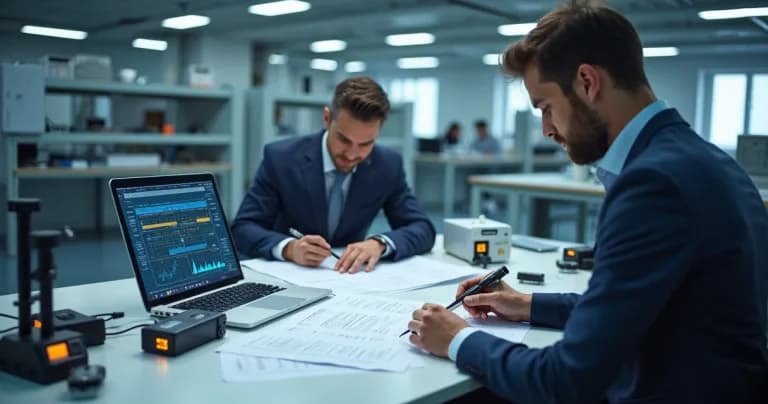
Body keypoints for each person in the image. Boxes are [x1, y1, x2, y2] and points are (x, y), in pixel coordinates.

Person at [408, 1, 768, 403]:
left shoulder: (652, 184)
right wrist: (527, 304)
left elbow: (566, 380)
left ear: (586, 82)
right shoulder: (708, 161)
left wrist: (458, 339)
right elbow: (636, 304)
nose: (546, 129)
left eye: (545, 107)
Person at [232, 76, 436, 273]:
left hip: (350, 280)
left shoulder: (387, 165)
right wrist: (289, 248)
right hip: (289, 274)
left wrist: (380, 243)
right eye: (344, 140)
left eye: (365, 144)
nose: (352, 154)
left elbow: (423, 228)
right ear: (327, 118)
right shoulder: (281, 158)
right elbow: (243, 228)